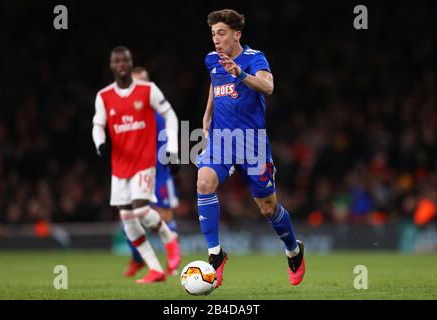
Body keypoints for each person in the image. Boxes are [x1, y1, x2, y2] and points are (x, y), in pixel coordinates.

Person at [196, 9, 306, 288]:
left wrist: (241, 73)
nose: (216, 40)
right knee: (204, 181)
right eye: (213, 34)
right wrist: (207, 113)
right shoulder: (212, 59)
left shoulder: (255, 58)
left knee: (268, 208)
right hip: (221, 140)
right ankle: (215, 254)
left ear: (236, 34)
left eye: (221, 33)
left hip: (252, 144)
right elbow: (214, 81)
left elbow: (267, 87)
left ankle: (293, 250)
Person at [92, 46, 181, 284]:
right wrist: (100, 143)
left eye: (125, 60)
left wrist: (173, 150)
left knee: (140, 209)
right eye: (116, 61)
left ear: (130, 63)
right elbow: (97, 124)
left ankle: (169, 239)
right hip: (120, 166)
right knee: (126, 218)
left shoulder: (148, 90)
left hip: (144, 161)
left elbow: (170, 114)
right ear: (111, 65)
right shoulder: (104, 96)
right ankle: (155, 269)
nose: (121, 64)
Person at [123, 67, 182, 277]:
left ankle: (173, 263)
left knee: (164, 216)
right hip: (134, 173)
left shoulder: (159, 113)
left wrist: (172, 157)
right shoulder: (127, 113)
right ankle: (138, 259)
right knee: (127, 217)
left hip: (159, 172)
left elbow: (169, 137)